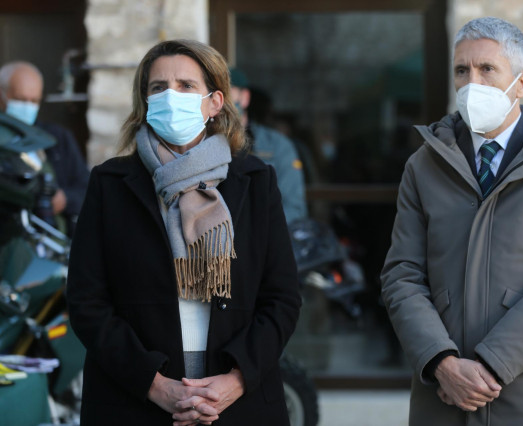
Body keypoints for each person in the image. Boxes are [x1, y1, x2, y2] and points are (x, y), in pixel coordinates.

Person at [381, 17, 523, 426]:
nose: (472, 82)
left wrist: (493, 363)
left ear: (521, 83)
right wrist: (442, 363)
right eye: (462, 70)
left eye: (487, 69)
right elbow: (402, 274)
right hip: (443, 397)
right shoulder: (423, 166)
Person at [66, 39, 301, 425]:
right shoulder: (110, 184)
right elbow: (87, 301)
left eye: (186, 86)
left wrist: (235, 380)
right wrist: (155, 385)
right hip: (132, 402)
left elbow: (282, 298)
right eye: (158, 87)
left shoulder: (256, 182)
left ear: (215, 102)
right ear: (145, 101)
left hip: (239, 404)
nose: (170, 97)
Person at [0, 61, 89, 235]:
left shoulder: (56, 139)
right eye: (20, 99)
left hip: (52, 241)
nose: (27, 106)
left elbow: (86, 188)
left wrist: (63, 199)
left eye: (34, 101)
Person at [229, 67, 307, 223]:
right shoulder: (203, 142)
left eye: (227, 92)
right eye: (214, 93)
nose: (221, 101)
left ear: (244, 98)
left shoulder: (277, 146)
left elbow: (294, 208)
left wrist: (254, 227)